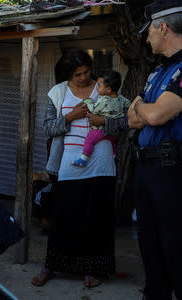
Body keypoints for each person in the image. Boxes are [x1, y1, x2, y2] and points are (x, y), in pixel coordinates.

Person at [31, 49, 128, 288]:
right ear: (67, 75)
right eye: (77, 74)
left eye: (86, 72)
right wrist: (70, 117)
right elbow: (47, 128)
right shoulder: (58, 92)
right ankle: (52, 266)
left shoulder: (105, 88)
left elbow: (126, 122)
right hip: (69, 165)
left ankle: (93, 270)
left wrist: (104, 121)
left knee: (97, 218)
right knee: (64, 216)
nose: (84, 77)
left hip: (101, 164)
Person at [128, 1, 182, 299]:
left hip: (173, 169)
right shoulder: (157, 72)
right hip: (147, 168)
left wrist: (141, 107)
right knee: (150, 244)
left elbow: (152, 117)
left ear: (163, 27)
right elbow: (130, 119)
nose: (147, 39)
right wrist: (142, 110)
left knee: (175, 244)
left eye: (148, 31)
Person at [72, 70, 130, 167]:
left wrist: (88, 101)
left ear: (108, 89)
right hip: (114, 132)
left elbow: (94, 110)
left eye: (99, 85)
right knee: (112, 143)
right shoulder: (121, 99)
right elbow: (129, 105)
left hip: (101, 130)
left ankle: (84, 159)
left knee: (89, 139)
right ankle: (113, 156)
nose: (96, 88)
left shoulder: (104, 99)